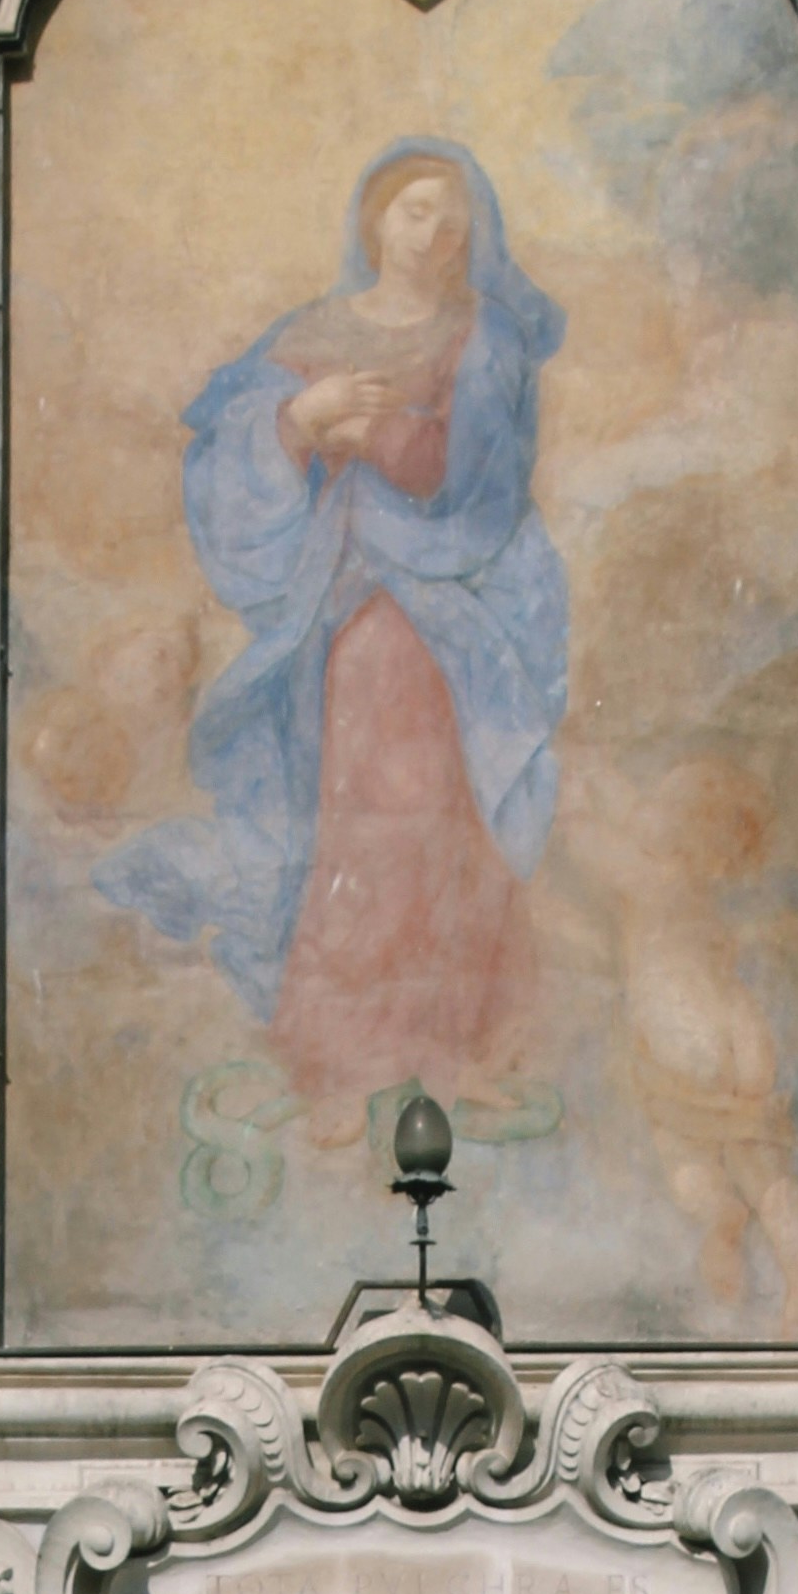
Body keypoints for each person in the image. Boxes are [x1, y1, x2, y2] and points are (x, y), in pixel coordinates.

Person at [104, 141, 567, 1133]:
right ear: (373, 222)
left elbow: (482, 488)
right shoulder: (315, 331)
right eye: (413, 211)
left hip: (451, 619)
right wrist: (296, 420)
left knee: (441, 818)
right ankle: (344, 1054)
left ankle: (443, 1044)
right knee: (357, 814)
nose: (432, 232)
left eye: (450, 217)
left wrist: (384, 440)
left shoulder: (484, 338)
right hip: (348, 607)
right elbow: (228, 443)